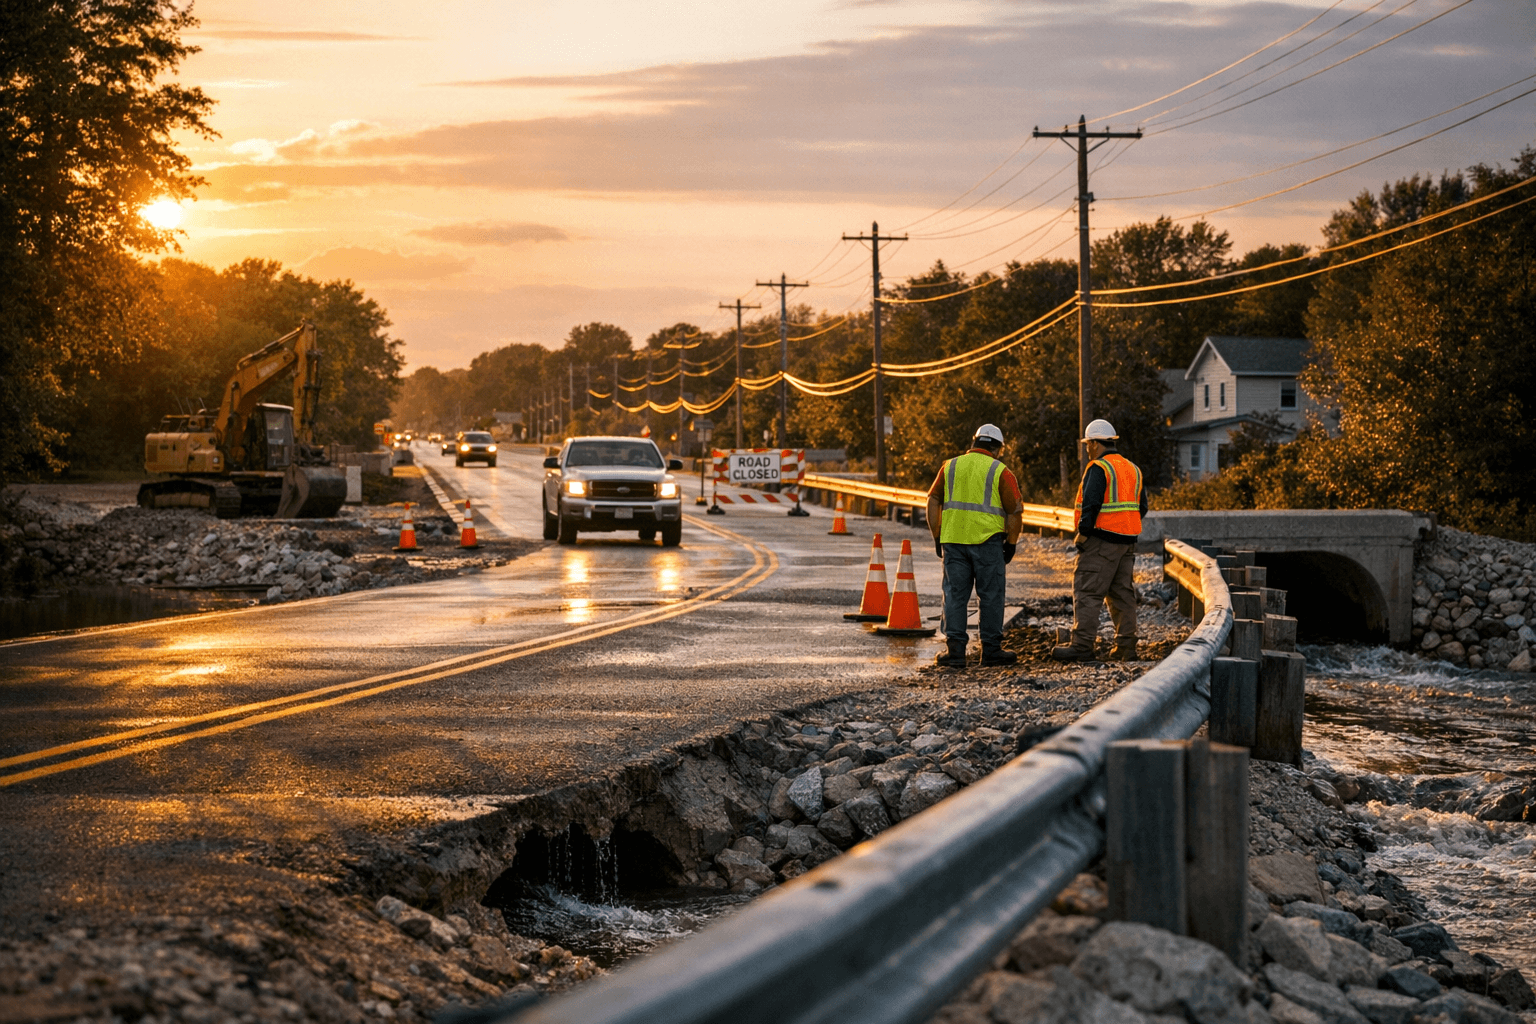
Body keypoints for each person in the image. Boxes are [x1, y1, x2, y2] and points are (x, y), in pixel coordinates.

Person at [926, 424, 1024, 668]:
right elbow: (1015, 511)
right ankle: (991, 651)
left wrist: (937, 535)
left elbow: (932, 499)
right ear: (998, 448)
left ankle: (955, 652)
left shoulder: (950, 466)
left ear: (975, 442)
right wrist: (1011, 543)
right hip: (988, 543)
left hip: (953, 541)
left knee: (954, 595)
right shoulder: (1001, 471)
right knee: (990, 595)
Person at [1053, 418, 1147, 662]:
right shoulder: (1133, 469)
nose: (1086, 449)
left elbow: (1091, 504)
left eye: (1088, 444)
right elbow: (1142, 507)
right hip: (1127, 542)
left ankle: (1082, 646)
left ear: (1095, 443)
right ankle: (1126, 647)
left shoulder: (1099, 468)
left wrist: (1083, 534)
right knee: (1122, 594)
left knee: (1088, 591)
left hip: (1101, 540)